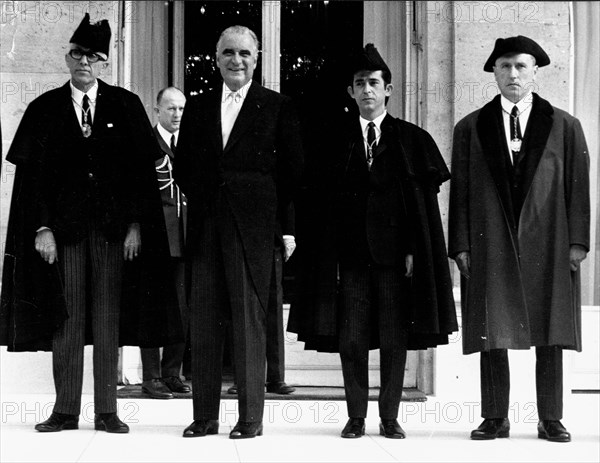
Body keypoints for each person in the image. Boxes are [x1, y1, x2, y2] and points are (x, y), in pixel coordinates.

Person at [0, 14, 181, 433]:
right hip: (64, 236)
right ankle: (64, 410)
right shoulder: (44, 109)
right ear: (67, 58)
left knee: (106, 319)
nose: (85, 62)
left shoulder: (126, 105)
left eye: (94, 56)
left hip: (113, 235)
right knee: (67, 318)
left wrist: (137, 224)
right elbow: (33, 182)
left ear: (105, 62)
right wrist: (42, 229)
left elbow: (141, 176)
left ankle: (106, 411)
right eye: (78, 53)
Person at [288, 44, 457, 439]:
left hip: (395, 259)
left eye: (374, 83)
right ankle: (356, 415)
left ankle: (389, 416)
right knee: (352, 338)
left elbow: (422, 208)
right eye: (359, 84)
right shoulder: (332, 140)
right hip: (349, 258)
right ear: (350, 92)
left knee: (394, 338)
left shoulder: (412, 140)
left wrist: (415, 250)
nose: (367, 90)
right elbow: (318, 205)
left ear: (389, 90)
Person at [448, 36, 590, 443]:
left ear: (535, 72)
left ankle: (550, 417)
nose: (513, 74)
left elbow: (578, 189)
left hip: (549, 243)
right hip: (490, 241)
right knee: (493, 329)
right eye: (505, 66)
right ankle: (495, 416)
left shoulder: (564, 125)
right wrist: (460, 244)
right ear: (493, 72)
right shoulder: (470, 127)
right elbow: (460, 192)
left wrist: (577, 243)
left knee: (551, 330)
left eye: (521, 66)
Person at [174, 25, 304, 439]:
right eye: (228, 52)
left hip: (254, 229)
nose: (236, 60)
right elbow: (184, 168)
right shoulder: (197, 107)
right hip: (207, 227)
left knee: (250, 321)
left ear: (257, 57)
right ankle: (205, 416)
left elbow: (294, 172)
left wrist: (267, 215)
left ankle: (250, 417)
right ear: (216, 58)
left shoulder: (277, 106)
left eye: (244, 53)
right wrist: (214, 195)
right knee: (205, 319)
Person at [140, 87, 191, 399]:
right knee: (152, 309)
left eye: (181, 109)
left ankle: (173, 372)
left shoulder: (189, 145)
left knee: (182, 309)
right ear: (156, 109)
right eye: (170, 108)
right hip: (155, 239)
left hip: (185, 238)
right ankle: (151, 376)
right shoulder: (145, 143)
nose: (176, 115)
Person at [227, 201, 297, 396]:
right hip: (239, 234)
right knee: (242, 309)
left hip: (270, 235)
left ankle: (276, 377)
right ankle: (242, 378)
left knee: (273, 306)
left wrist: (289, 233)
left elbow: (285, 190)